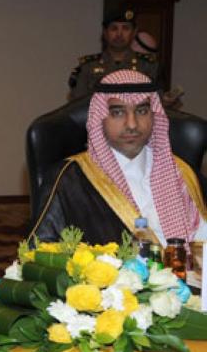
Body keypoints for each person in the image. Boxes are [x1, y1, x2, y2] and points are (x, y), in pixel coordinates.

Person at [33, 70, 207, 246]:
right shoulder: (68, 179)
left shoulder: (184, 174)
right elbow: (40, 248)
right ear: (100, 117)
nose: (132, 124)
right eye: (117, 112)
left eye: (142, 111)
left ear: (154, 115)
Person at [68, 7, 159, 100]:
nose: (119, 34)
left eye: (125, 28)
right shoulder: (88, 66)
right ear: (105, 32)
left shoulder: (147, 66)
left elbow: (156, 102)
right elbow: (78, 103)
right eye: (114, 28)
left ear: (134, 32)